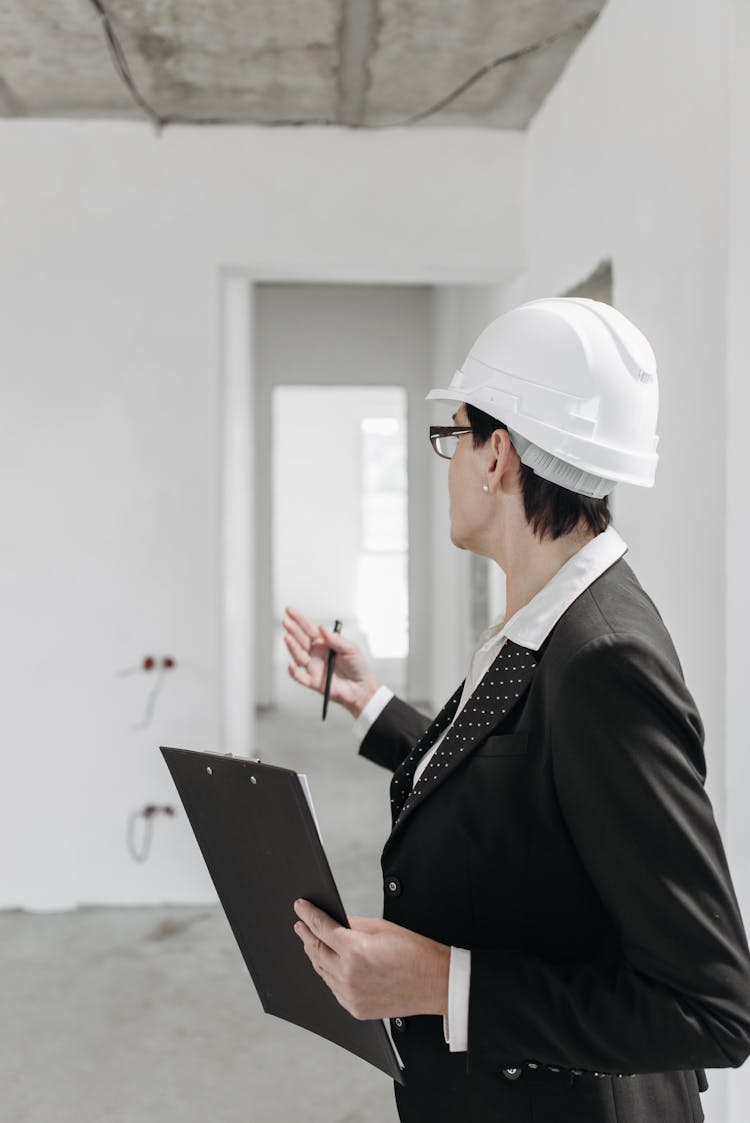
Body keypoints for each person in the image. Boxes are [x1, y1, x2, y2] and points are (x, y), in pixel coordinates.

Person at [284, 297, 750, 1123]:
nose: (451, 462)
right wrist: (375, 704)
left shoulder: (606, 658)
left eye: (453, 435)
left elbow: (712, 1007)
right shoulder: (550, 613)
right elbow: (521, 778)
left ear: (498, 454)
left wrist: (439, 981)